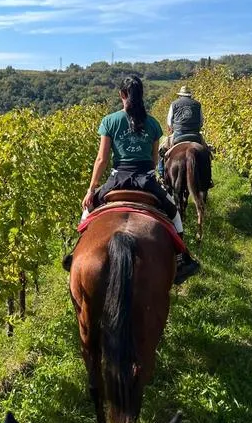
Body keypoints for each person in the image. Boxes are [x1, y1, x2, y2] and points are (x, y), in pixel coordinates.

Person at [80, 75, 200, 285]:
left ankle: (76, 253)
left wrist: (91, 189)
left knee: (87, 212)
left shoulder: (109, 121)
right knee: (173, 212)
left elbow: (102, 159)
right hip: (146, 180)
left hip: (117, 179)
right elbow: (154, 160)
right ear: (141, 95)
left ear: (122, 95)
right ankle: (181, 259)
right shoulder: (153, 124)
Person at [158, 85, 213, 187]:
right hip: (195, 135)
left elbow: (169, 121)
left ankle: (162, 176)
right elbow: (201, 121)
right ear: (190, 95)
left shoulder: (174, 104)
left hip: (179, 133)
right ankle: (208, 179)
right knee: (207, 152)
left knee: (161, 151)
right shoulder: (197, 104)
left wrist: (172, 128)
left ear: (180, 95)